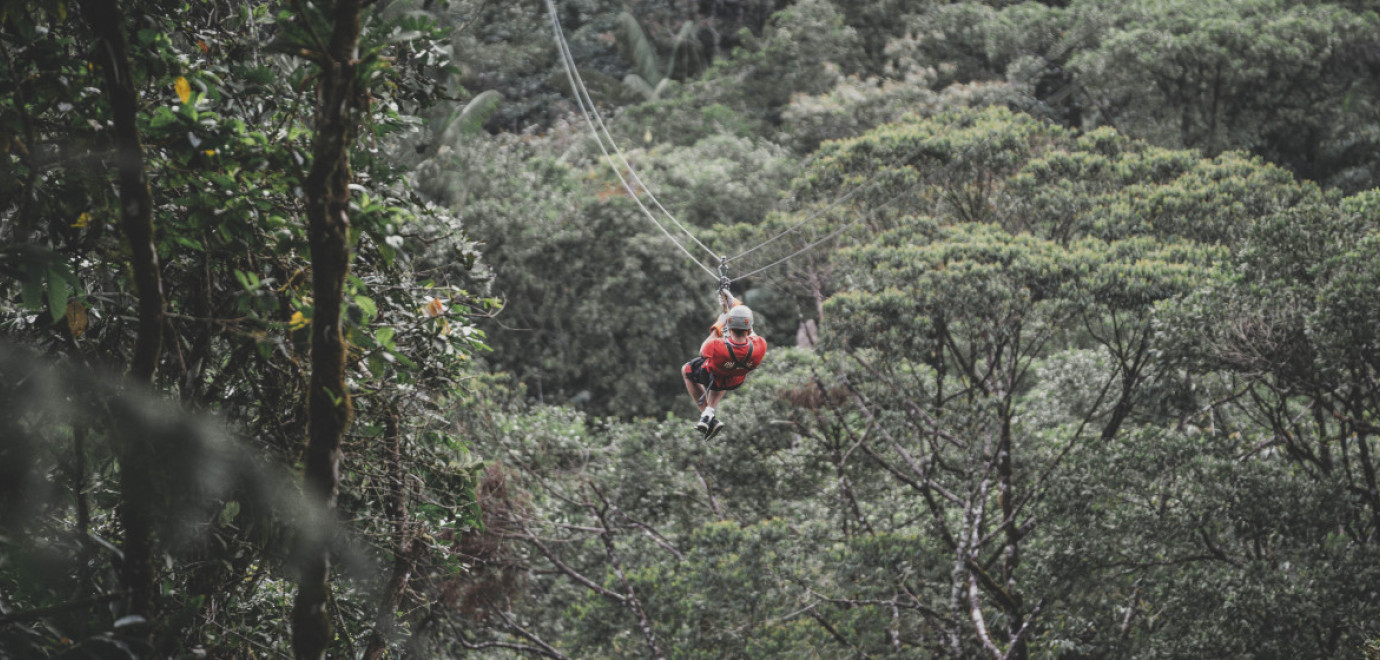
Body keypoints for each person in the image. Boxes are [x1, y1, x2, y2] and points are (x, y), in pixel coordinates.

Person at [681, 302, 767, 439]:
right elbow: (752, 334)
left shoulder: (717, 345)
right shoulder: (761, 345)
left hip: (711, 377)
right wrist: (738, 311)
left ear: (730, 327)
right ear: (749, 328)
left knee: (686, 370)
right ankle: (710, 412)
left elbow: (703, 351)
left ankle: (705, 415)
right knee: (725, 373)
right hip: (734, 380)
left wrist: (719, 324)